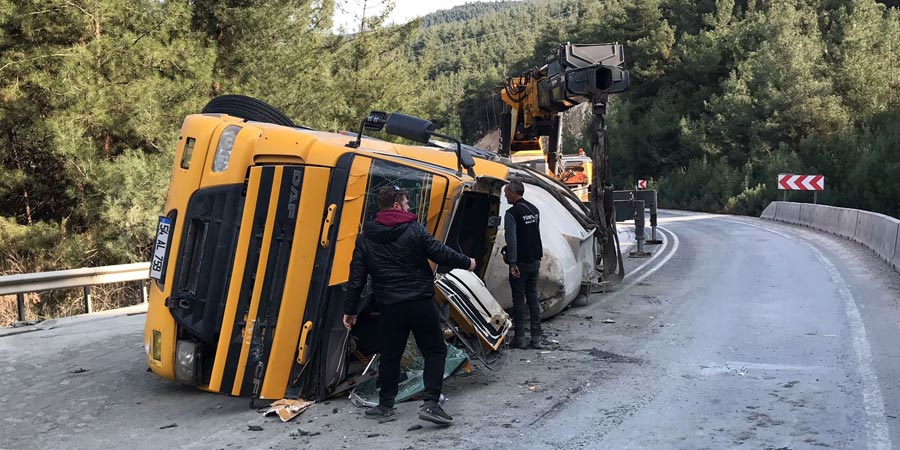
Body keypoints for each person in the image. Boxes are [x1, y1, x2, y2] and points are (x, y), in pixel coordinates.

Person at [343, 185, 476, 426]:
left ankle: (385, 406)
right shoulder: (414, 230)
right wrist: (467, 262)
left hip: (390, 306)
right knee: (435, 351)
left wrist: (350, 311)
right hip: (420, 303)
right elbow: (440, 253)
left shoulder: (365, 238)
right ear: (396, 205)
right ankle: (431, 404)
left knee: (391, 354)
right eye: (405, 204)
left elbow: (356, 279)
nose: (408, 208)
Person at [503, 178, 547, 350]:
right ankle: (536, 337)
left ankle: (520, 338)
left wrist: (512, 262)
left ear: (513, 193)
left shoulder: (512, 213)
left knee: (519, 300)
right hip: (535, 259)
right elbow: (534, 235)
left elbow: (512, 240)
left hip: (520, 263)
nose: (505, 196)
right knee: (533, 298)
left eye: (506, 193)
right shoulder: (533, 209)